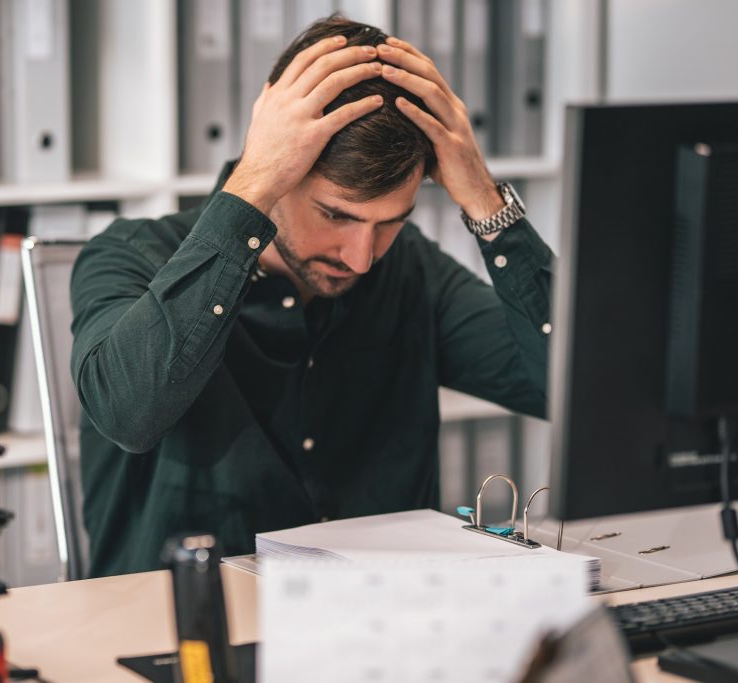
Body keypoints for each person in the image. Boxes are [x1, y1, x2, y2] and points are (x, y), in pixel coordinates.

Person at [70, 16, 554, 576]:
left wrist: (488, 204)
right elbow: (130, 414)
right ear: (278, 166)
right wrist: (252, 184)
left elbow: (575, 391)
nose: (361, 257)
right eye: (336, 215)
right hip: (188, 631)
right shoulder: (129, 255)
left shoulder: (409, 268)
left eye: (389, 222)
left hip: (379, 631)